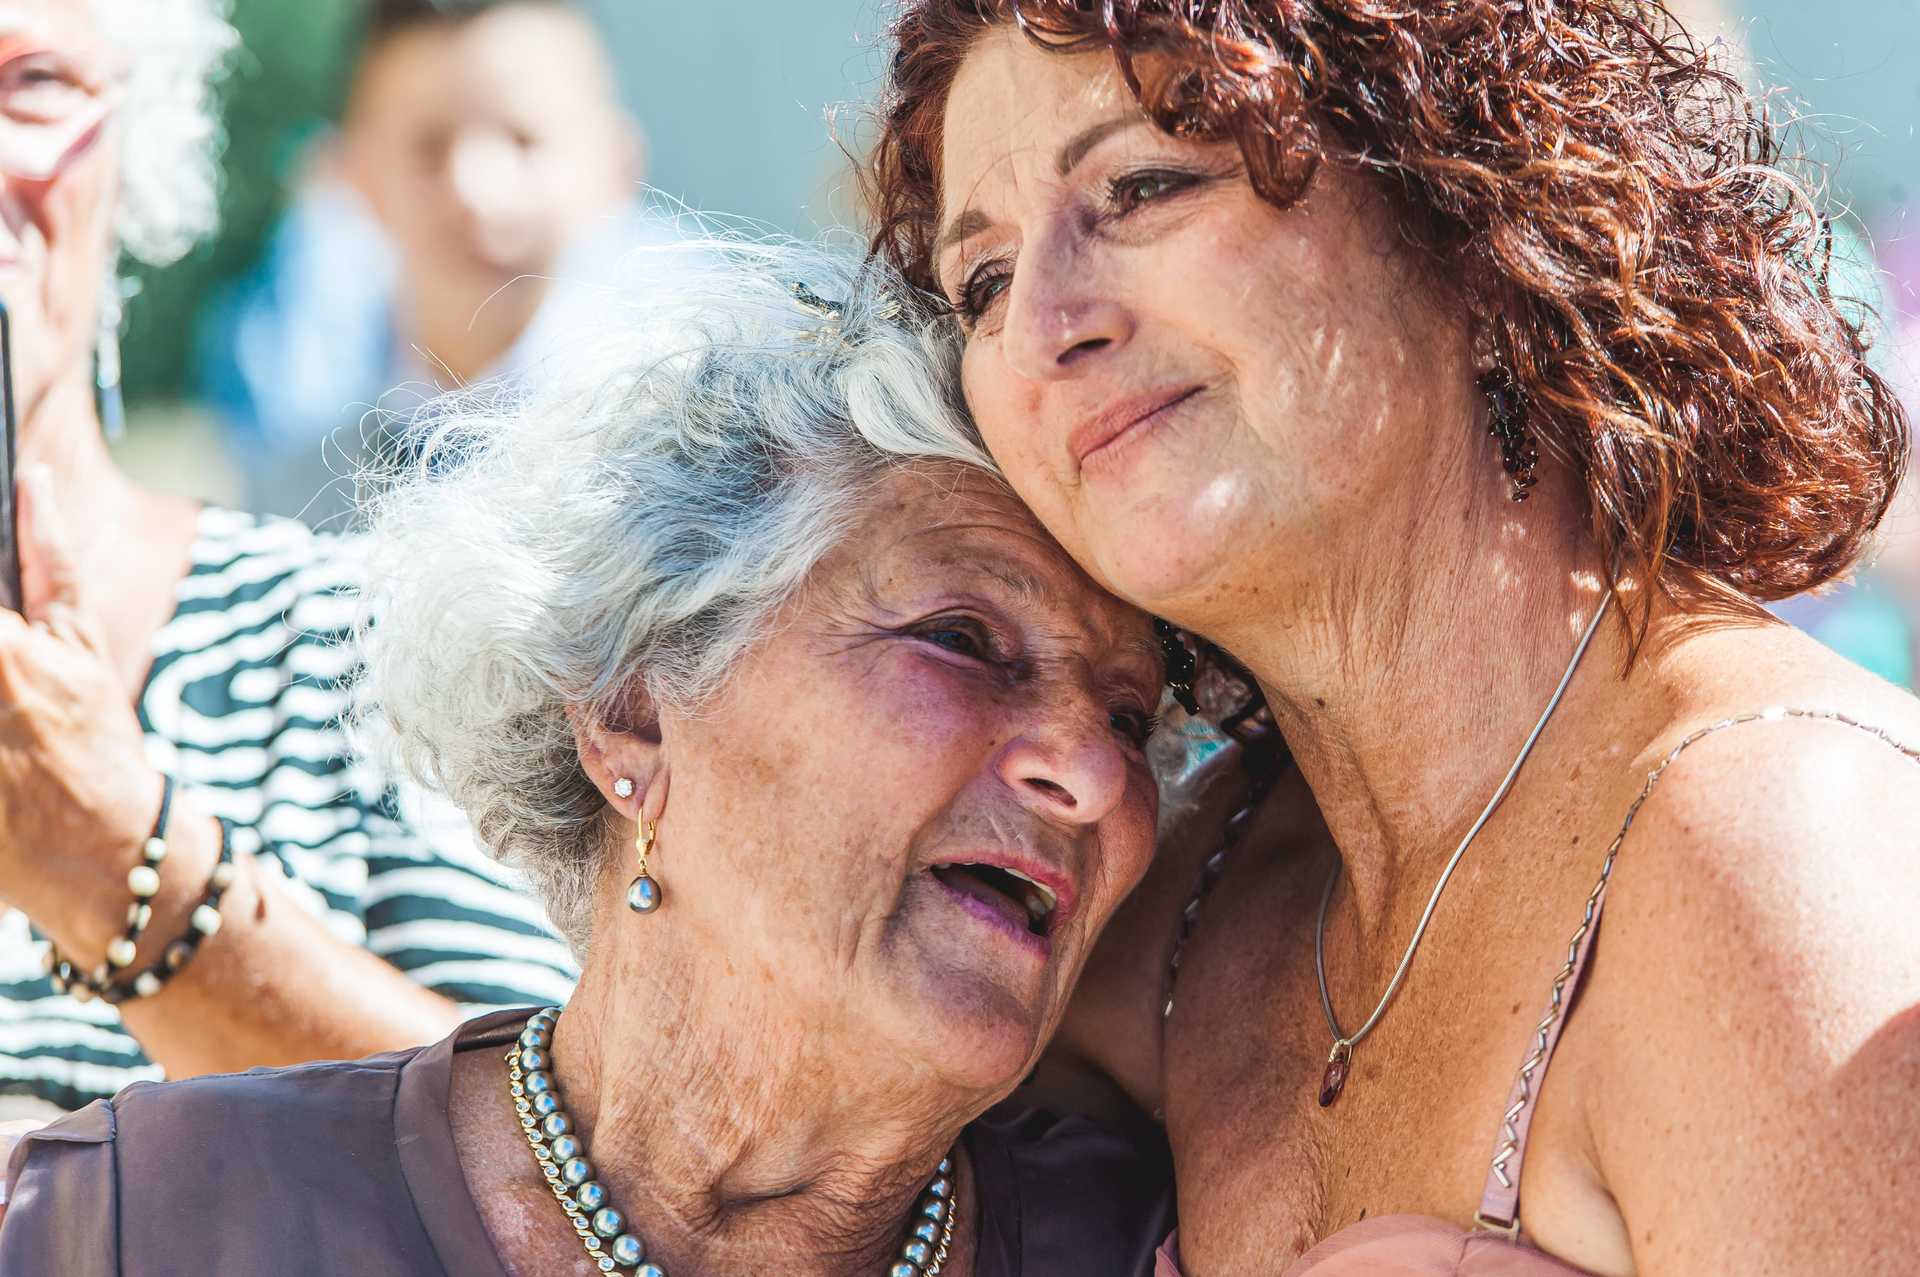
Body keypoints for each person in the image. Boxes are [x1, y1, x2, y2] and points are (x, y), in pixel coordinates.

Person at [864, 2, 1920, 1274]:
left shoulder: (1781, 860)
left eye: (1143, 185)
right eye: (980, 281)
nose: (1042, 327)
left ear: (1478, 218)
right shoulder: (1179, 903)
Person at [1, 243, 1176, 1276]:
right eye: (962, 640)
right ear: (635, 712)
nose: (1093, 770)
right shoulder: (143, 1217)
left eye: (1131, 715)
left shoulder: (1157, 1244)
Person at [0, 0, 574, 1121]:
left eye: (34, 84)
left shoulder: (353, 641)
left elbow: (567, 1154)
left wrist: (118, 864)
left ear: (134, 158)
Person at [200, 0, 669, 525]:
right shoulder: (302, 496)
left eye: (523, 139)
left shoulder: (688, 450)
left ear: (617, 166)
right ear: (352, 176)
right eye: (429, 147)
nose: (475, 189)